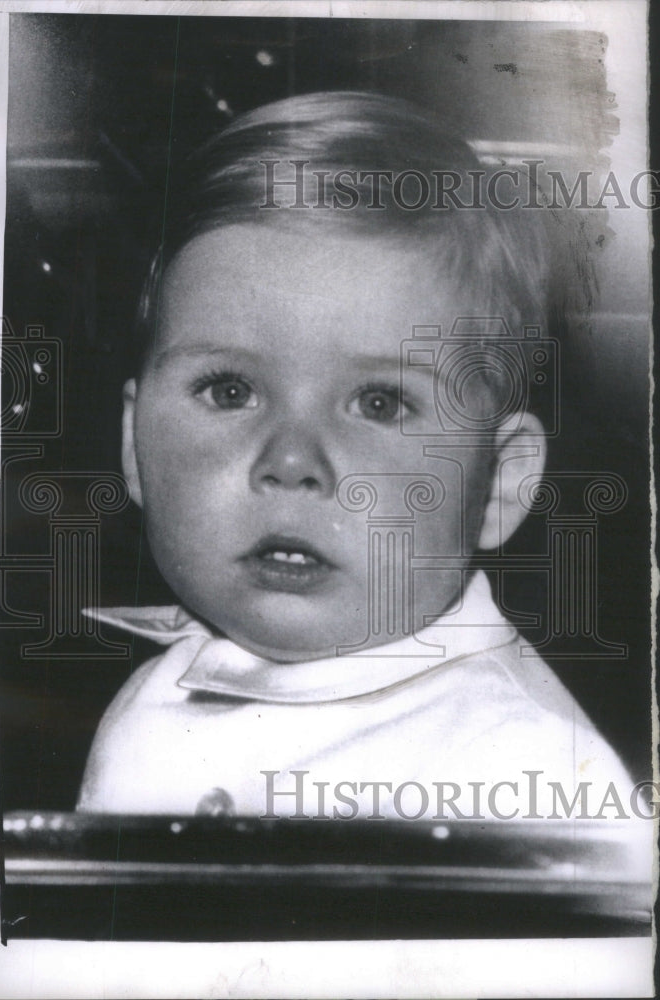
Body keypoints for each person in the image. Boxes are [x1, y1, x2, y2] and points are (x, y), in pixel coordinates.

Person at [76, 92, 642, 827]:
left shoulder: (529, 774)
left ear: (498, 484)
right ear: (133, 445)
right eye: (230, 389)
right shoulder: (149, 701)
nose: (289, 460)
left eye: (379, 403)